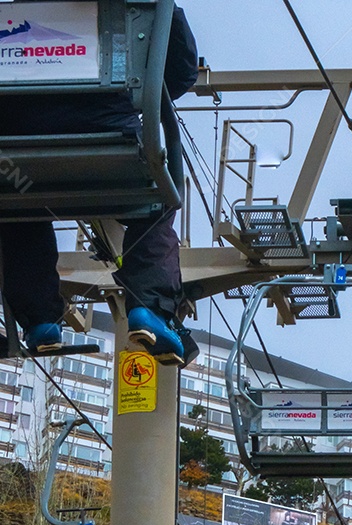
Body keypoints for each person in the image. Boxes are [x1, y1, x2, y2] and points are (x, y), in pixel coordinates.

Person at [0, 5, 198, 360]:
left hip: (13, 156)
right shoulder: (142, 6)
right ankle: (150, 307)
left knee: (18, 210)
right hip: (110, 146)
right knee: (156, 200)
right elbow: (180, 74)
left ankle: (40, 320)